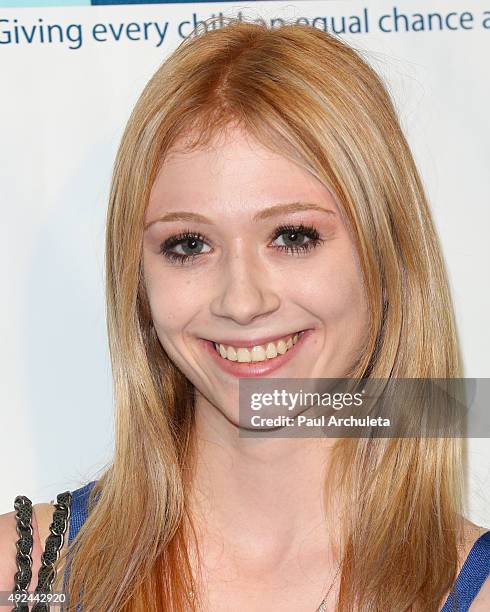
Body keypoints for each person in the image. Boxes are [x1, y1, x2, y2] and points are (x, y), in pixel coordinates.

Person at [1, 17, 489, 612]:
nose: (241, 300)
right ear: (139, 280)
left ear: (385, 256)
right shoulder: (21, 578)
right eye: (189, 245)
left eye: (292, 236)